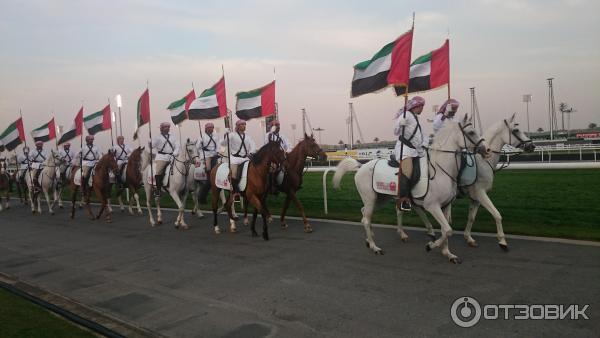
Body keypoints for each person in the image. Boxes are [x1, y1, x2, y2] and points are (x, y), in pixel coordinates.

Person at [394, 96, 426, 211]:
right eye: (422, 106)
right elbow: (395, 131)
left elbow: (421, 136)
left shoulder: (416, 118)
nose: (423, 108)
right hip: (405, 150)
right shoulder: (406, 115)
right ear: (416, 106)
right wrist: (400, 124)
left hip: (416, 151)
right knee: (408, 171)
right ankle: (403, 200)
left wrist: (425, 146)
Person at [222, 120, 255, 198]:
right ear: (237, 126)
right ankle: (235, 192)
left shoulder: (248, 136)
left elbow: (253, 145)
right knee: (233, 174)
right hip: (235, 159)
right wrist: (227, 135)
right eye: (242, 124)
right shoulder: (232, 135)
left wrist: (251, 152)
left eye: (245, 124)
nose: (244, 126)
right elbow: (223, 143)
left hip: (246, 158)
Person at [150, 122, 179, 197]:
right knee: (159, 171)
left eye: (168, 127)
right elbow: (152, 146)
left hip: (172, 156)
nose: (167, 128)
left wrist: (175, 153)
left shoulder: (173, 137)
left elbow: (177, 146)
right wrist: (150, 142)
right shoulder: (157, 137)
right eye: (165, 127)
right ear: (162, 128)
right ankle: (158, 190)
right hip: (161, 157)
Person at [264, 119, 290, 194]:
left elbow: (289, 145)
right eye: (276, 125)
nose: (278, 127)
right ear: (272, 127)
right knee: (272, 168)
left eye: (279, 125)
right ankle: (272, 187)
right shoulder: (268, 136)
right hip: (272, 158)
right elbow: (265, 147)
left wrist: (287, 151)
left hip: (282, 156)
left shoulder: (283, 136)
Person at [196, 122, 221, 202]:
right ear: (206, 129)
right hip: (206, 155)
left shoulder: (216, 136)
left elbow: (218, 146)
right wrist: (200, 144)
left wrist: (217, 152)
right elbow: (197, 147)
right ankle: (203, 194)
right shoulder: (201, 136)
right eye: (209, 128)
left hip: (214, 154)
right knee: (210, 173)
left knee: (218, 170)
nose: (211, 129)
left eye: (212, 128)